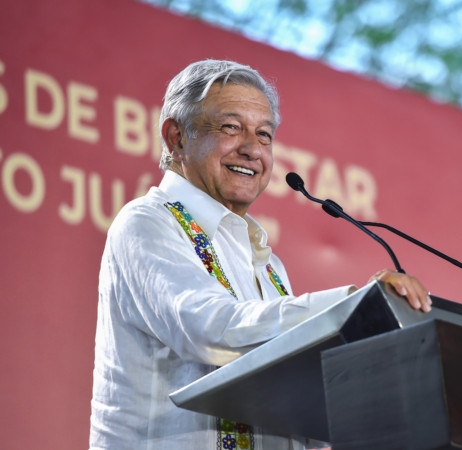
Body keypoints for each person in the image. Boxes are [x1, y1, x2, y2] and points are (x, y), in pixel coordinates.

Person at [89, 59, 431, 450]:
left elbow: (293, 396)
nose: (252, 149)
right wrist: (354, 306)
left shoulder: (267, 266)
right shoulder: (148, 221)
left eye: (264, 135)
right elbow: (210, 329)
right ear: (176, 138)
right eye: (231, 128)